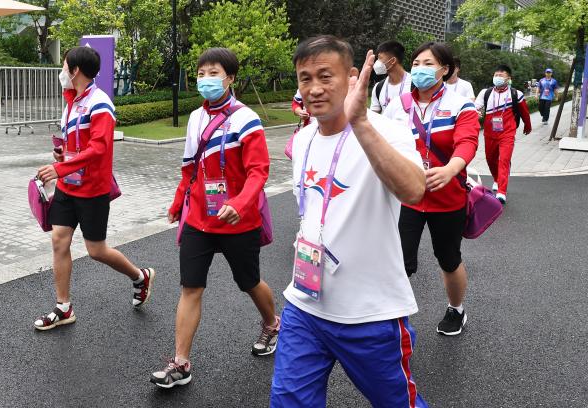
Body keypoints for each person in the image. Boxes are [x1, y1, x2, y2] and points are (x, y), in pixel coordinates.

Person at [271, 35, 428, 407]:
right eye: (305, 78)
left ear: (353, 77)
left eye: (326, 76)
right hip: (305, 306)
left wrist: (360, 123)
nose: (314, 88)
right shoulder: (305, 139)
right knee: (288, 401)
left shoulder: (386, 130)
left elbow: (414, 190)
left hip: (370, 313)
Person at [151, 47, 280, 389]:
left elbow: (258, 172)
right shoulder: (196, 118)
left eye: (214, 73)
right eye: (202, 73)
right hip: (199, 217)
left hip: (239, 219)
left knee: (248, 281)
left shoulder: (246, 119)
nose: (206, 79)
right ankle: (180, 363)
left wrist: (239, 202)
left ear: (230, 78)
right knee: (190, 286)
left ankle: (272, 324)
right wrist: (179, 201)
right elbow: (189, 168)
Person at [34, 46, 155, 331]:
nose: (62, 71)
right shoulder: (72, 102)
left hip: (93, 190)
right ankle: (63, 307)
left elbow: (100, 148)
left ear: (75, 70)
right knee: (59, 240)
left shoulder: (100, 103)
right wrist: (62, 157)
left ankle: (140, 277)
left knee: (96, 250)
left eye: (64, 66)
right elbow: (75, 145)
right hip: (68, 187)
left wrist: (62, 168)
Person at [384, 42, 480, 336]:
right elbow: (382, 142)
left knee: (449, 259)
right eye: (416, 63)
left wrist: (452, 169)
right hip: (408, 197)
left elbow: (467, 141)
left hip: (447, 197)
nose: (419, 69)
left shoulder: (460, 104)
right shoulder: (398, 104)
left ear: (444, 69)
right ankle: (392, 317)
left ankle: (456, 310)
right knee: (400, 261)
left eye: (428, 63)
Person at [475, 64, 532, 203]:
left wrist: (528, 125)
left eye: (501, 75)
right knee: (490, 159)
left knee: (504, 160)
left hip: (507, 132)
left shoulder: (515, 94)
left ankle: (502, 191)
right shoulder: (486, 93)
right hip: (489, 133)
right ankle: (497, 179)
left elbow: (524, 112)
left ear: (509, 78)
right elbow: (474, 108)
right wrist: (475, 113)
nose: (498, 77)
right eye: (496, 75)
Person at [370, 40, 412, 114]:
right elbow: (373, 116)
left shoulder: (415, 85)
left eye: (380, 58)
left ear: (392, 60)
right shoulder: (378, 87)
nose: (377, 62)